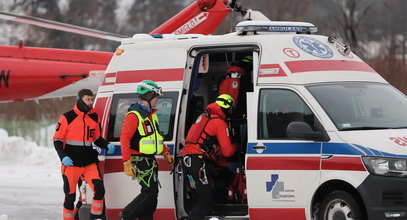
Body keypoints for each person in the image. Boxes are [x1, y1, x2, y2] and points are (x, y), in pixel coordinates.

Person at [53, 89, 116, 220]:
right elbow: (57, 140)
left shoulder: (94, 117)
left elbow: (97, 139)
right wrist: (63, 157)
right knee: (70, 196)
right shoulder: (67, 117)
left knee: (99, 190)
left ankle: (95, 218)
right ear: (79, 99)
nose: (91, 102)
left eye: (92, 99)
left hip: (89, 163)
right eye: (88, 99)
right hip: (71, 164)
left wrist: (106, 145)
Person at [119, 80, 174, 220]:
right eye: (156, 97)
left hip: (150, 160)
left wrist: (165, 152)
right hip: (140, 160)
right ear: (148, 96)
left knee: (152, 197)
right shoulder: (134, 115)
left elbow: (157, 138)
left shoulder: (152, 115)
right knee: (149, 193)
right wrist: (127, 162)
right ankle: (126, 215)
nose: (157, 100)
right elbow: (124, 139)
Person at [181, 94, 237, 220]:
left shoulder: (203, 117)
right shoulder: (219, 122)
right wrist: (236, 146)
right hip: (197, 162)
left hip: (186, 161)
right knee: (206, 200)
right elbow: (227, 152)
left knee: (197, 198)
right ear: (227, 108)